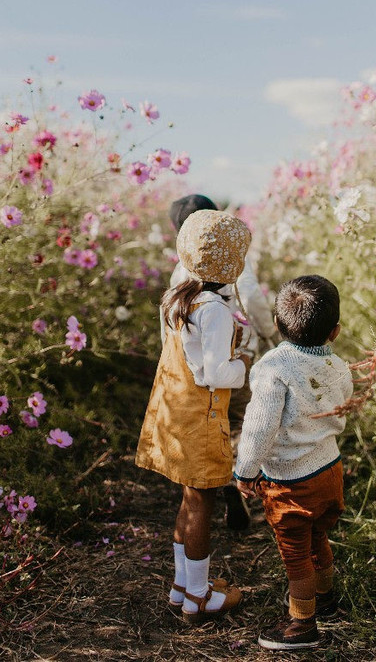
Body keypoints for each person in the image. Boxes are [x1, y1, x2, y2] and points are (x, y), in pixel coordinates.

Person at [136, 210, 253, 623]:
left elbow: (190, 355)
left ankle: (182, 586)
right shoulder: (215, 309)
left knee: (188, 500)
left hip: (176, 414)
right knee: (202, 502)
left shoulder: (178, 298)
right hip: (201, 418)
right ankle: (198, 598)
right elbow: (215, 373)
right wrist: (243, 363)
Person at [234, 275, 353, 651]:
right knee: (318, 538)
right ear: (334, 331)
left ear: (277, 322)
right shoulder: (339, 365)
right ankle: (326, 598)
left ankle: (303, 623)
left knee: (296, 554)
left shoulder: (274, 367)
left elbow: (259, 427)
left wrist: (245, 471)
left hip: (291, 483)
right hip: (330, 470)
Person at [167, 194, 275, 531]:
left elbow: (170, 328)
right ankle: (237, 478)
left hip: (196, 368)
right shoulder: (230, 257)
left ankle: (215, 478)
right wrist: (269, 331)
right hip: (236, 356)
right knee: (240, 418)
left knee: (213, 421)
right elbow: (251, 295)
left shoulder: (180, 272)